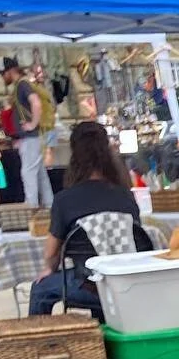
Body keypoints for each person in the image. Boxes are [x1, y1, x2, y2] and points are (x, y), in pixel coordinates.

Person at [29, 121, 149, 318]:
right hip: (126, 283)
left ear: (74, 156)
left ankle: (39, 343)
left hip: (86, 285)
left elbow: (51, 253)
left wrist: (49, 269)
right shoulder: (125, 196)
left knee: (40, 289)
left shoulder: (64, 200)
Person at [1, 57, 54, 209]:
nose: (2, 77)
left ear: (11, 71)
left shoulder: (22, 85)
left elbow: (36, 102)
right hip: (31, 138)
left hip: (30, 138)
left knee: (28, 173)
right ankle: (50, 206)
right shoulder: (21, 85)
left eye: (3, 73)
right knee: (40, 174)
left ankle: (31, 208)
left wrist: (32, 124)